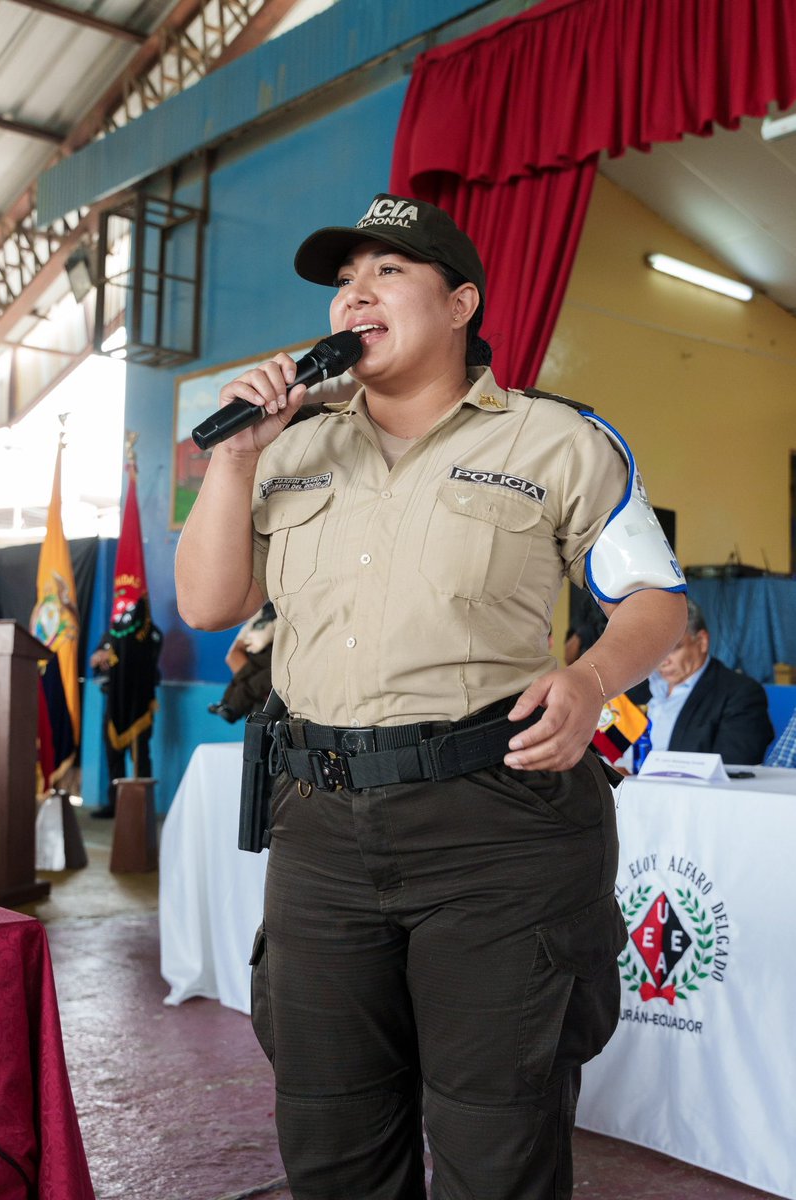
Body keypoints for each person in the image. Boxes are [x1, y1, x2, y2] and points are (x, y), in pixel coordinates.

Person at [175, 192, 687, 1200]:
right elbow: (207, 600)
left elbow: (656, 605)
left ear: (460, 304)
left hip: (494, 825)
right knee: (330, 1137)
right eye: (342, 283)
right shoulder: (288, 448)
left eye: (386, 274)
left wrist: (589, 679)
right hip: (319, 827)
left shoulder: (556, 441)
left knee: (497, 1141)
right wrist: (234, 457)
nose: (354, 296)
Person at [630, 598, 774, 765]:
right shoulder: (634, 688)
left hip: (680, 791)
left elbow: (732, 767)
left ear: (702, 642)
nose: (662, 660)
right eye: (654, 650)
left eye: (672, 648)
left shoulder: (740, 695)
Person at [89, 613, 162, 818]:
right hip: (114, 702)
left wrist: (117, 655)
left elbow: (148, 659)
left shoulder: (149, 634)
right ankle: (116, 804)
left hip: (138, 703)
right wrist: (100, 658)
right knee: (114, 755)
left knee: (140, 756)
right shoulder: (110, 634)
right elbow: (94, 659)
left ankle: (142, 806)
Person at [208, 600, 277, 722]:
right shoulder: (262, 613)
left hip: (274, 662)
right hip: (258, 656)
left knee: (253, 684)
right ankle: (225, 702)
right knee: (241, 677)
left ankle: (233, 708)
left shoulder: (282, 615)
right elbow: (234, 653)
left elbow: (263, 639)